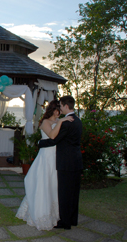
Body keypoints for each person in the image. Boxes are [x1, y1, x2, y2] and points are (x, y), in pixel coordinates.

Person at [16, 99, 74, 230]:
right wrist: (61, 121)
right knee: (44, 183)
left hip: (56, 156)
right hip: (46, 157)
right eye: (58, 109)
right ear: (53, 110)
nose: (59, 111)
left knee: (54, 184)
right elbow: (52, 136)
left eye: (60, 109)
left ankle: (56, 214)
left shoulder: (58, 121)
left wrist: (61, 122)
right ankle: (41, 213)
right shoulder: (45, 122)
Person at [38, 95, 83, 230]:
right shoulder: (78, 120)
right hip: (76, 160)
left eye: (61, 106)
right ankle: (73, 219)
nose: (60, 109)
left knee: (64, 193)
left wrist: (40, 142)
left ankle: (65, 222)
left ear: (65, 106)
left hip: (66, 162)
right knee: (74, 193)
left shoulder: (66, 122)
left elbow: (54, 140)